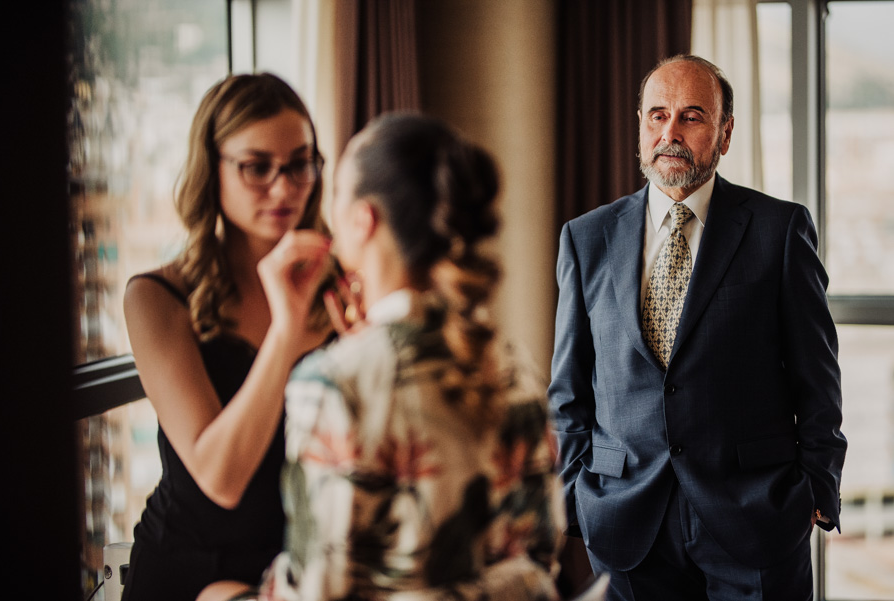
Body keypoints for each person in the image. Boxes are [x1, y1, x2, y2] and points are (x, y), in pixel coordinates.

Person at [548, 55, 847, 601]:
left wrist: (818, 489)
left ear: (725, 132)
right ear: (639, 125)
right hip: (626, 522)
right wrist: (574, 497)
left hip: (755, 519)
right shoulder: (585, 240)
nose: (670, 133)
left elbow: (818, 380)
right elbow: (568, 389)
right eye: (657, 116)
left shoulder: (779, 231)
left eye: (691, 117)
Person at [252, 113, 567, 601]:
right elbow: (542, 555)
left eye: (336, 191)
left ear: (363, 220)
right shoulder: (509, 362)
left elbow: (318, 590)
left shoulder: (334, 384)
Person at [121, 73, 333, 601]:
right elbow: (222, 478)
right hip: (189, 571)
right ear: (211, 169)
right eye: (256, 167)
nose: (284, 187)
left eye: (299, 163)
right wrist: (287, 334)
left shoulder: (339, 285)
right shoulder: (155, 299)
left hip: (305, 568)